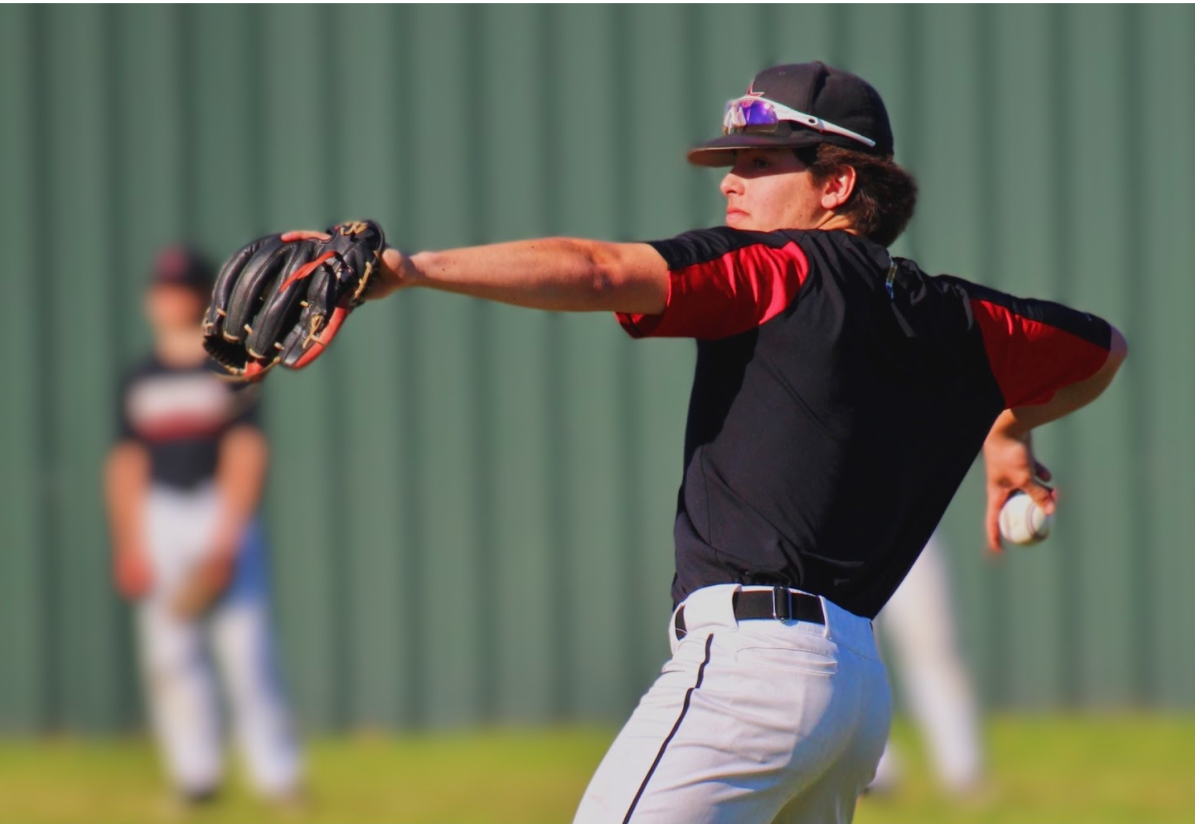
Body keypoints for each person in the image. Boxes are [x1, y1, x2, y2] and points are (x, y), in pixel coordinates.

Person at [222, 60, 1127, 823]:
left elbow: (602, 270)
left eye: (760, 161)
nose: (730, 181)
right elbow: (1101, 351)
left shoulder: (782, 268)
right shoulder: (959, 318)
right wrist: (1008, 428)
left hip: (752, 677)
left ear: (837, 183)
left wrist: (407, 270)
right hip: (852, 694)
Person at [103, 247, 303, 812]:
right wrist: (130, 543)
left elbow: (246, 451)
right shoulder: (139, 378)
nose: (171, 299)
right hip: (160, 515)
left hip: (218, 508)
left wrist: (227, 536)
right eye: (163, 289)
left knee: (247, 649)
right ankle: (197, 777)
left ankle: (277, 776)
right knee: (169, 655)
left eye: (182, 288)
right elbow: (125, 463)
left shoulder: (230, 368)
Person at [868, 532, 986, 799]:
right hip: (835, 529)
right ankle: (873, 771)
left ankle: (963, 769)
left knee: (933, 640)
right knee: (850, 646)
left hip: (906, 519)